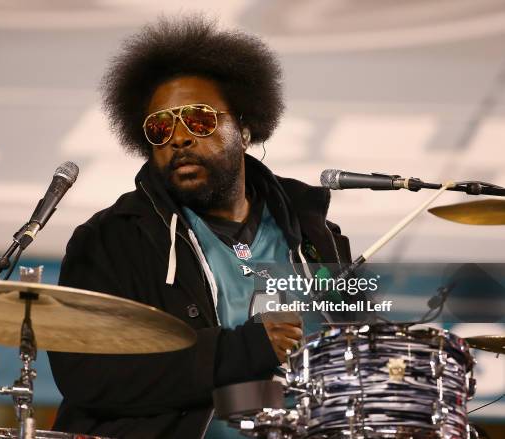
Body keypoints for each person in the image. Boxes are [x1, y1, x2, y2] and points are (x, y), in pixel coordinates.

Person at [47, 16, 351, 439]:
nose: (179, 138)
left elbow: (350, 355)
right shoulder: (110, 239)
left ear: (244, 130)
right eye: (160, 128)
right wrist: (244, 349)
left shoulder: (317, 235)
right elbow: (89, 374)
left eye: (199, 120)